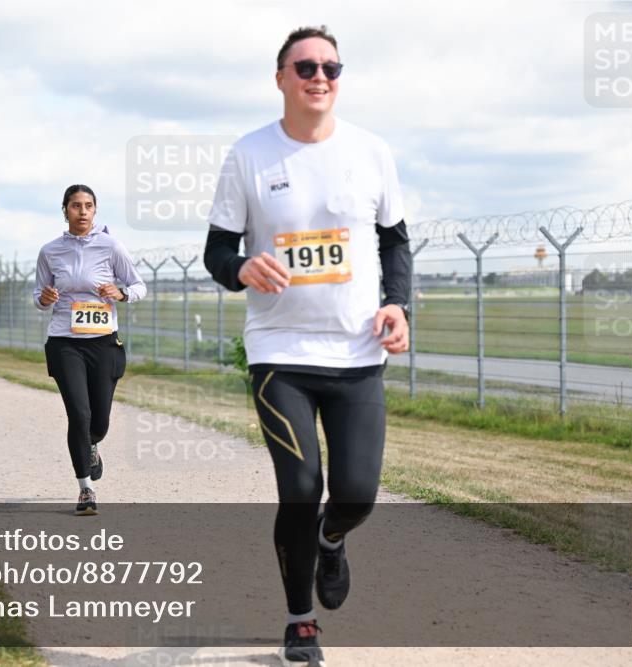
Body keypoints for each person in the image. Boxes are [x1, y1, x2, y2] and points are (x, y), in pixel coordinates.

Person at [203, 26, 412, 666]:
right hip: (278, 354)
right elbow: (216, 251)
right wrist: (240, 267)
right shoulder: (249, 155)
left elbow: (395, 242)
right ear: (281, 79)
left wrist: (399, 304)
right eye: (306, 67)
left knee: (355, 494)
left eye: (331, 66)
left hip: (356, 355)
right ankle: (300, 621)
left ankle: (331, 538)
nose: (319, 76)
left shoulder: (372, 151)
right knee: (299, 485)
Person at [35, 184, 146, 516]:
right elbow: (38, 294)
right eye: (75, 206)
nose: (82, 211)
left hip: (103, 343)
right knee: (79, 415)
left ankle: (92, 445)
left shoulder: (111, 246)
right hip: (64, 341)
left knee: (99, 420)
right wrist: (44, 299)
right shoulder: (50, 251)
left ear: (95, 211)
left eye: (87, 206)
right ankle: (86, 489)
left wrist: (122, 293)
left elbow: (139, 285)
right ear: (65, 210)